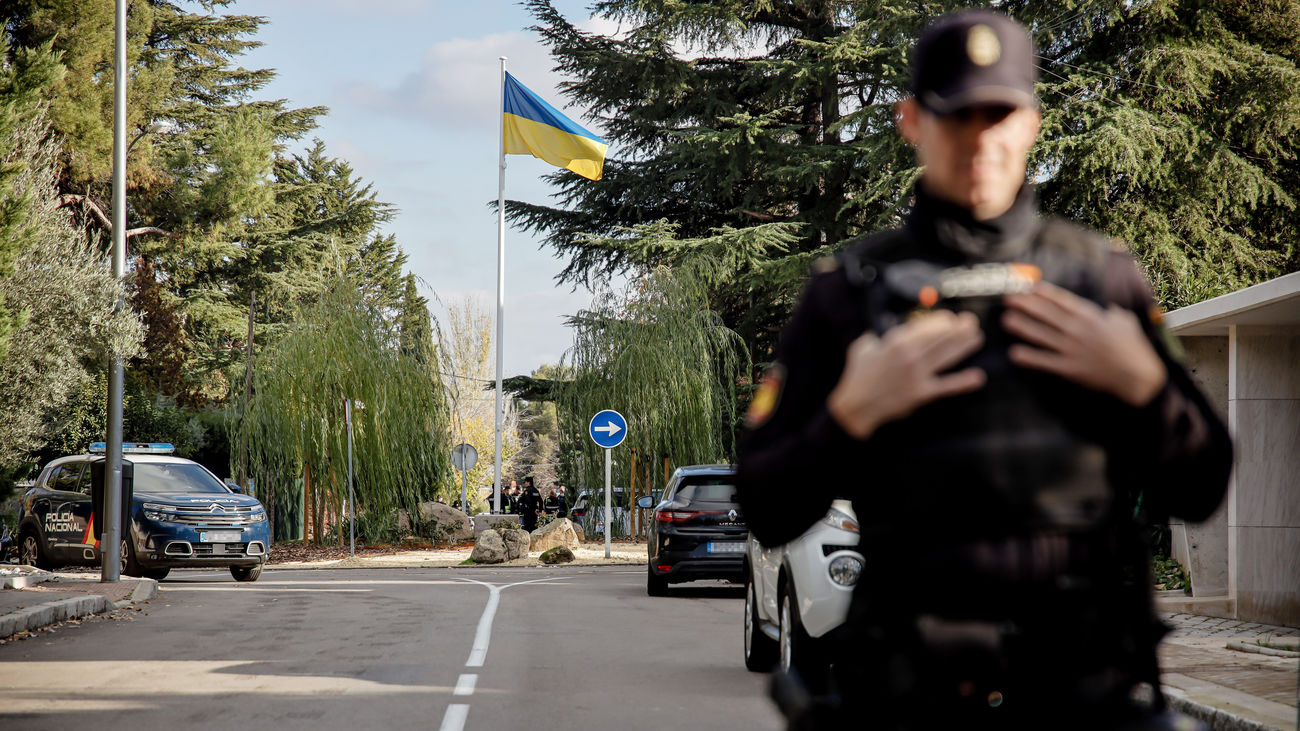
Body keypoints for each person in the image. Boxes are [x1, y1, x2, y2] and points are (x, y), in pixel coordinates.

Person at [736, 10, 1232, 731]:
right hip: (911, 697)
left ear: (1032, 122)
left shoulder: (1102, 278)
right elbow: (766, 504)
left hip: (1082, 692)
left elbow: (1203, 485)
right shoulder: (849, 292)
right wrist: (850, 414)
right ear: (912, 121)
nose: (981, 139)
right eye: (957, 115)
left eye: (999, 115)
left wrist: (1143, 385)